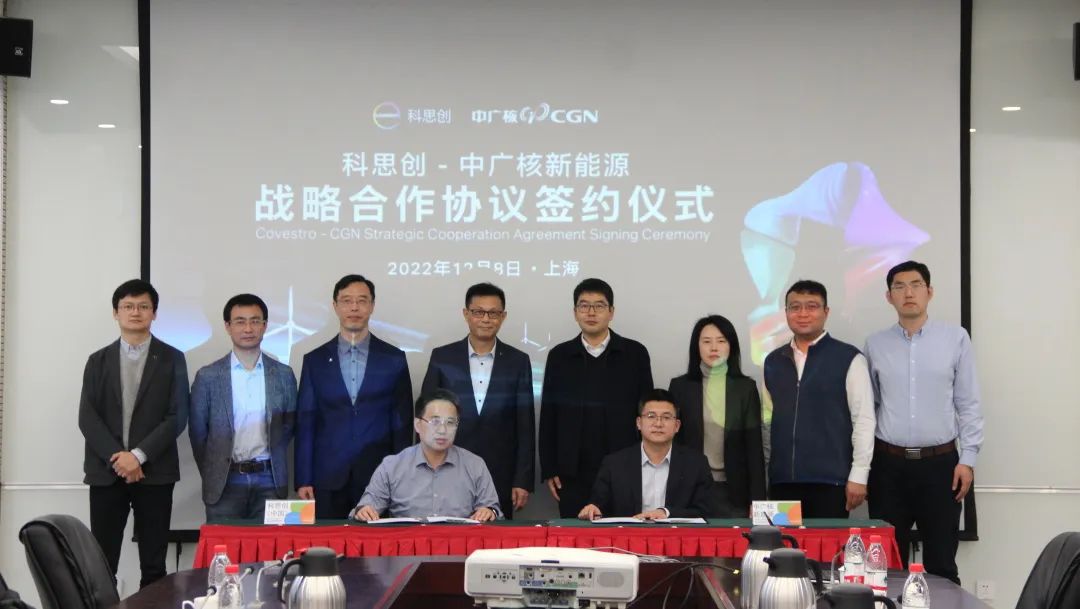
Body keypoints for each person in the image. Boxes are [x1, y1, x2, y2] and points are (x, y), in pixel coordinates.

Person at [864, 261, 984, 584]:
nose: (908, 293)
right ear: (889, 296)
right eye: (899, 287)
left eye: (916, 285)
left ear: (929, 292)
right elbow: (870, 408)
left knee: (942, 565)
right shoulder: (875, 344)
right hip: (888, 467)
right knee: (886, 567)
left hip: (941, 466)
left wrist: (968, 459)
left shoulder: (956, 339)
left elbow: (968, 403)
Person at [77, 279, 189, 588]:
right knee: (102, 565)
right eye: (127, 306)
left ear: (154, 313)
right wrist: (119, 459)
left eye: (143, 306)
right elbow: (87, 417)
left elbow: (177, 415)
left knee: (154, 564)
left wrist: (138, 456)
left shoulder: (172, 358)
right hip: (106, 472)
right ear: (116, 313)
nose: (135, 312)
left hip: (155, 472)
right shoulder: (97, 361)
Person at [295, 274, 413, 519]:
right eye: (347, 300)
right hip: (327, 476)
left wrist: (401, 476)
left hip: (379, 476)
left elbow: (402, 425)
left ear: (372, 305)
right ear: (335, 306)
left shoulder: (394, 359)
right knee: (327, 542)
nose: (354, 307)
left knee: (378, 542)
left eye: (362, 300)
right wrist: (303, 478)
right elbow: (306, 423)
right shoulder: (314, 360)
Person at [539, 278, 654, 518]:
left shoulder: (634, 354)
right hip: (572, 471)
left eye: (599, 306)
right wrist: (550, 467)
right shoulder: (560, 356)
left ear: (611, 312)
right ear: (575, 312)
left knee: (623, 533)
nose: (591, 312)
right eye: (584, 306)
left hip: (624, 467)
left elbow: (647, 413)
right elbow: (549, 415)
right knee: (575, 536)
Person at [762, 280, 875, 518]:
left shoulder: (849, 358)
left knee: (826, 543)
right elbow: (767, 422)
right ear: (786, 313)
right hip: (783, 482)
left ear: (826, 312)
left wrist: (859, 474)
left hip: (831, 482)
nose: (803, 314)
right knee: (784, 543)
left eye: (812, 306)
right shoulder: (773, 361)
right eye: (795, 307)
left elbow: (864, 420)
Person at [421, 282, 534, 518]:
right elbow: (425, 419)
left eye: (493, 313)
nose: (485, 319)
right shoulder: (443, 357)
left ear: (503, 317)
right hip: (447, 466)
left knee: (496, 537)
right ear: (466, 314)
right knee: (448, 535)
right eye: (478, 312)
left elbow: (525, 425)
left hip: (500, 472)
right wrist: (423, 471)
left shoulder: (518, 361)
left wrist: (522, 480)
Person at [189, 294, 298, 521]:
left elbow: (288, 426)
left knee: (270, 544)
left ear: (264, 326)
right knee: (225, 544)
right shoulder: (208, 376)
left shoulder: (283, 375)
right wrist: (216, 469)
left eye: (255, 321)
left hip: (270, 479)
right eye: (240, 321)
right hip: (225, 481)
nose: (248, 328)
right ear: (228, 326)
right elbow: (198, 434)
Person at [350, 390, 502, 521]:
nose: (442, 430)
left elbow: (493, 510)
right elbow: (366, 506)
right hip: (408, 544)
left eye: (450, 422)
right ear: (417, 424)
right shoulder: (392, 466)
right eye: (435, 421)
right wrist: (364, 510)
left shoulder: (475, 465)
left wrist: (489, 512)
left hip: (458, 543)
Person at [668, 315, 766, 517]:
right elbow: (673, 443)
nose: (714, 348)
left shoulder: (745, 388)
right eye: (706, 341)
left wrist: (757, 501)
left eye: (721, 341)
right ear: (696, 347)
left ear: (731, 347)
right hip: (689, 488)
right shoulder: (680, 387)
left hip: (733, 491)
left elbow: (754, 447)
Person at [578, 389, 719, 520]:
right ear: (639, 423)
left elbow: (706, 511)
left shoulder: (696, 464)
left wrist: (666, 513)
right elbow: (599, 506)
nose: (658, 423)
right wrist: (593, 509)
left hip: (676, 537)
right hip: (627, 537)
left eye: (666, 417)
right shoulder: (614, 464)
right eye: (651, 416)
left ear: (677, 426)